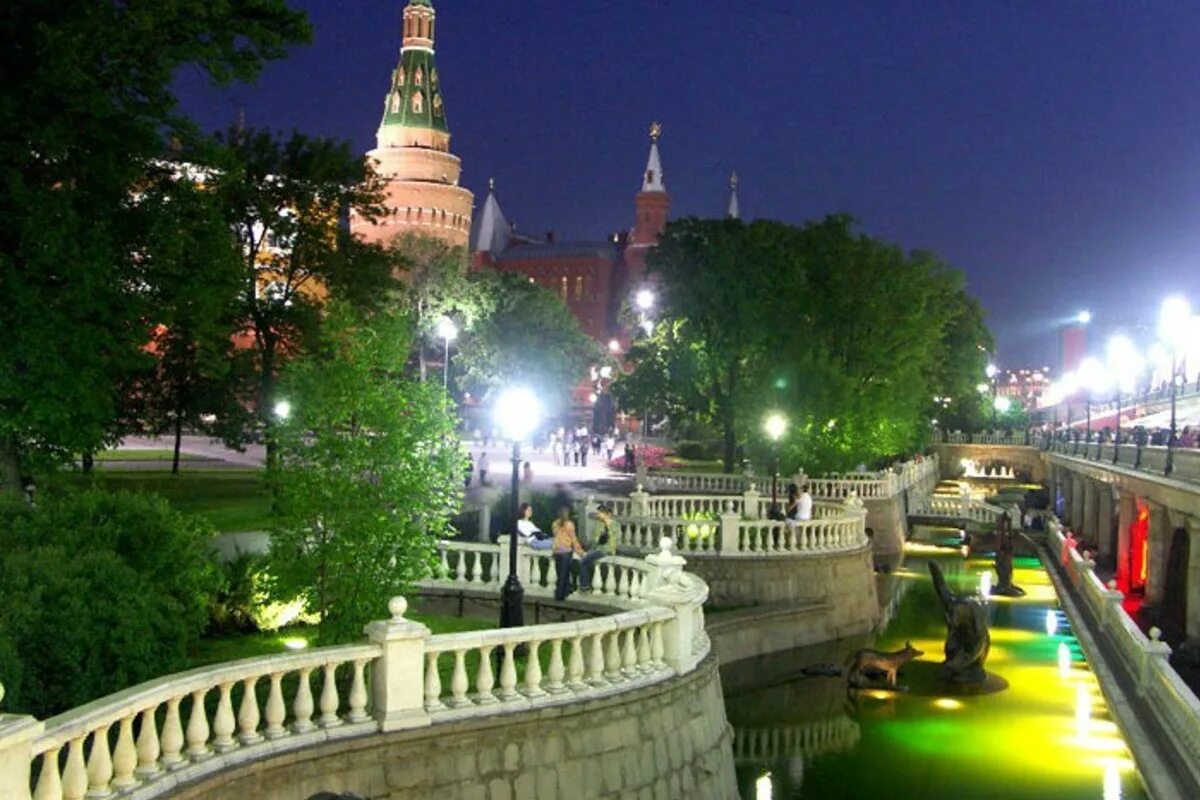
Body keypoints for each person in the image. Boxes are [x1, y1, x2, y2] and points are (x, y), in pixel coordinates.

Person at [580, 504, 618, 591]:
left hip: (605, 550)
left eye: (600, 513)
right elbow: (595, 539)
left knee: (583, 562)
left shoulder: (614, 525)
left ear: (607, 514)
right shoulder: (598, 524)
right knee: (585, 558)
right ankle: (589, 582)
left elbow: (612, 541)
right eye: (598, 513)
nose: (598, 515)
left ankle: (584, 585)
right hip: (597, 548)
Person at [551, 506, 585, 600]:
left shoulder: (555, 523)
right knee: (564, 574)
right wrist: (580, 551)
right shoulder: (569, 524)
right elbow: (574, 539)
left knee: (560, 574)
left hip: (557, 552)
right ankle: (560, 595)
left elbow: (556, 537)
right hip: (565, 552)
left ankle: (562, 593)